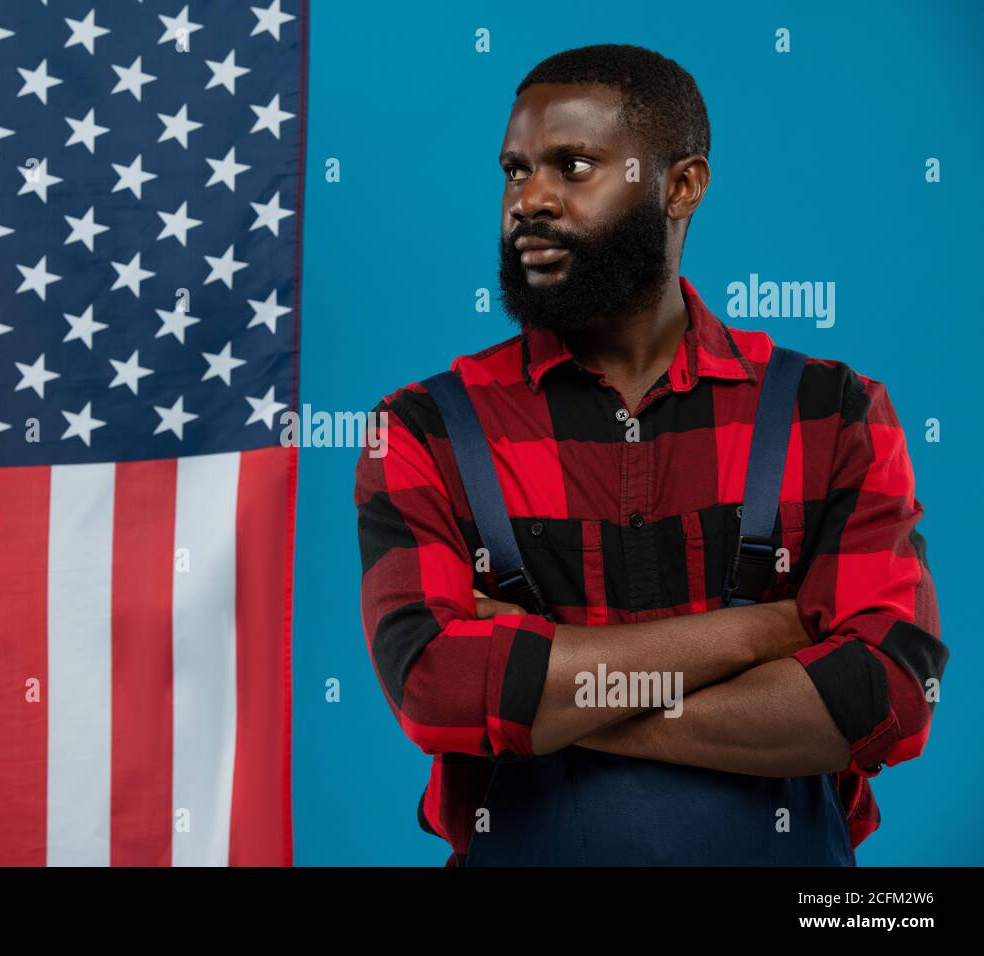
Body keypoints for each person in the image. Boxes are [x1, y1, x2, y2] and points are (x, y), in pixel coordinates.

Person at [353, 43, 947, 866]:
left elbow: (886, 694)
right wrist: (756, 636)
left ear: (682, 185)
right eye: (515, 170)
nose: (529, 201)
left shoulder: (832, 413)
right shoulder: (423, 428)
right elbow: (435, 689)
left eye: (573, 165)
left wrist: (550, 693)